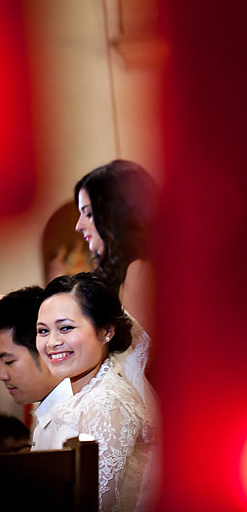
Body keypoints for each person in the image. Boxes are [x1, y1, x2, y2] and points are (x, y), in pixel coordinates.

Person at [35, 273, 155, 512]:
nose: (51, 342)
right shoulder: (82, 394)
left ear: (106, 332)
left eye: (65, 328)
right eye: (43, 330)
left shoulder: (107, 402)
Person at [74, 160, 159, 420]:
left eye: (88, 213)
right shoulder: (121, 271)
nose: (79, 225)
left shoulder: (139, 269)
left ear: (116, 214)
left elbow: (142, 361)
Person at [0, 286, 65, 450]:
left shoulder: (80, 417)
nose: (2, 376)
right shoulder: (42, 406)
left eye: (9, 361)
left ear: (46, 348)